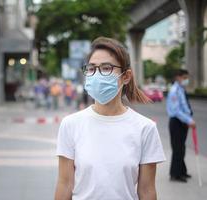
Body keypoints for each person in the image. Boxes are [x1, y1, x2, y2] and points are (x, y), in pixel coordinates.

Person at [55, 37, 166, 200]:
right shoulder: (71, 124)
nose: (97, 74)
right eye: (92, 68)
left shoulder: (145, 128)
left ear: (126, 76)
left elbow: (147, 190)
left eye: (106, 68)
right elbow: (65, 184)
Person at [166, 69, 195, 183]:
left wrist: (189, 118)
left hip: (182, 122)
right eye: (184, 78)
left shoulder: (181, 89)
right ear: (178, 77)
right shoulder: (174, 90)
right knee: (177, 149)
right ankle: (175, 174)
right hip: (177, 122)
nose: (186, 80)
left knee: (181, 148)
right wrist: (189, 120)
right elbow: (176, 111)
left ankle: (182, 170)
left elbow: (185, 106)